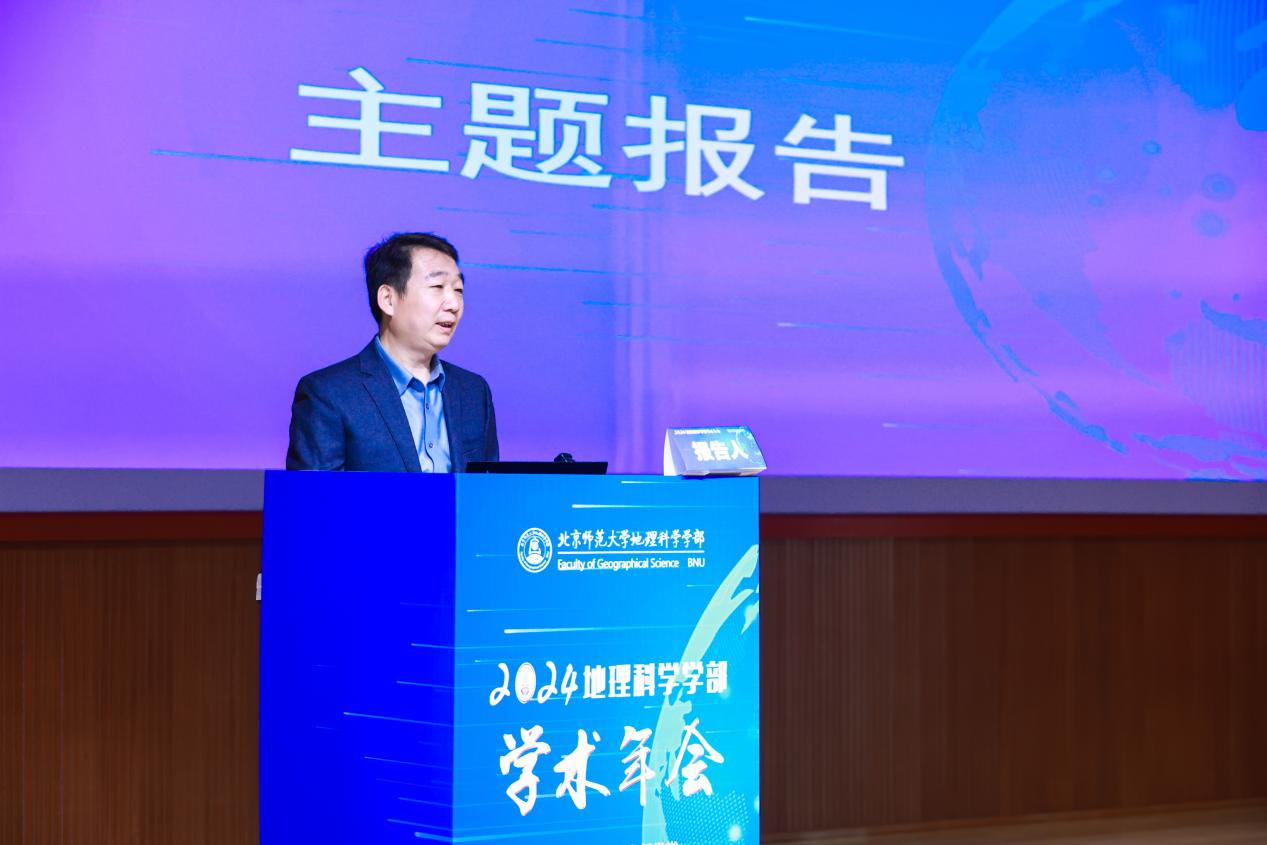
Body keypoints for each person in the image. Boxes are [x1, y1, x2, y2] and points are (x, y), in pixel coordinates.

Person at [286, 232, 498, 471]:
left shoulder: (473, 392)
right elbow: (317, 494)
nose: (454, 304)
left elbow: (489, 489)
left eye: (458, 289)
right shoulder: (328, 394)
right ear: (388, 299)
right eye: (437, 286)